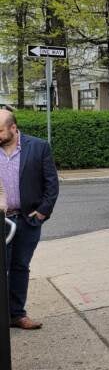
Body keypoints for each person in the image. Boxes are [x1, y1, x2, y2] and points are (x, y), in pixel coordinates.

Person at [0, 109, 59, 330]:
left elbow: (51, 183)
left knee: (20, 267)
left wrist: (42, 212)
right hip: (1, 221)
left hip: (27, 221)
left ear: (13, 128)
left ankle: (17, 315)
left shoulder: (39, 146)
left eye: (0, 131)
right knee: (1, 269)